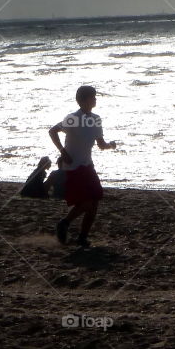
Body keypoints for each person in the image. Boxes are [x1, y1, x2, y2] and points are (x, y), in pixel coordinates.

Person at [48, 85, 116, 248]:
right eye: (92, 97)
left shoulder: (96, 119)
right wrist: (63, 151)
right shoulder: (73, 118)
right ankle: (64, 223)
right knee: (85, 203)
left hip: (87, 165)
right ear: (83, 100)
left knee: (95, 202)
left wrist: (110, 146)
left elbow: (100, 144)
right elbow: (52, 131)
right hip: (73, 166)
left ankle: (82, 237)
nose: (95, 99)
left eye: (94, 97)